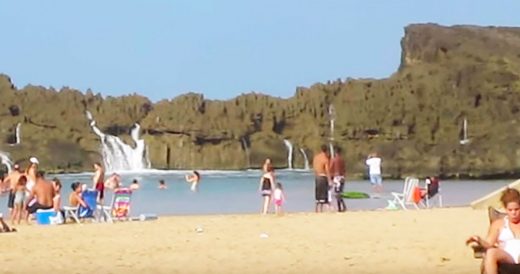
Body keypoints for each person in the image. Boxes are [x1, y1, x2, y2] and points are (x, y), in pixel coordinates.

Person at [466, 188, 520, 274]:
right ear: (506, 209)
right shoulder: (498, 224)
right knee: (491, 253)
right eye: (510, 210)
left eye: (517, 209)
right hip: (507, 257)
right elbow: (488, 244)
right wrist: (478, 239)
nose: (513, 213)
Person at [313, 144, 331, 213]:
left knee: (318, 193)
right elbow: (327, 170)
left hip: (317, 176)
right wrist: (329, 180)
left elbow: (314, 168)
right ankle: (323, 209)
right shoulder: (325, 158)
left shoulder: (316, 157)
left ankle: (317, 209)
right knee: (324, 194)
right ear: (326, 150)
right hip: (323, 177)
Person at [330, 146, 347, 212]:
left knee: (337, 193)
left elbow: (331, 168)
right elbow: (344, 169)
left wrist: (330, 178)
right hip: (342, 177)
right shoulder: (342, 160)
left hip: (337, 178)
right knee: (340, 193)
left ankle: (340, 207)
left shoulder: (334, 160)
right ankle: (342, 206)